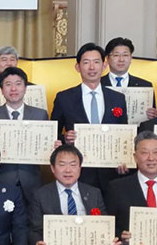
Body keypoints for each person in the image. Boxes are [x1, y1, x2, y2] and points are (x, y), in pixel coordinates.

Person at [51, 42, 128, 197]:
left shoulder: (117, 98)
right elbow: (52, 133)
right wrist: (65, 139)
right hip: (79, 172)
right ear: (77, 67)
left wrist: (124, 159)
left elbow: (124, 133)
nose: (92, 67)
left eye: (96, 62)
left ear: (104, 65)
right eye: (86, 62)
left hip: (111, 172)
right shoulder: (64, 98)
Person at [0, 67, 56, 204]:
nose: (13, 89)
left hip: (31, 179)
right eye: (8, 84)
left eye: (18, 84)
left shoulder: (40, 115)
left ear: (25, 88)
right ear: (1, 90)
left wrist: (53, 146)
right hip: (2, 177)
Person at [101, 37, 156, 121]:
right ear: (107, 59)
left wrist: (153, 115)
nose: (121, 59)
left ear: (131, 58)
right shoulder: (98, 84)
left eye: (125, 55)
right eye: (116, 55)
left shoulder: (145, 86)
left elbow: (152, 121)